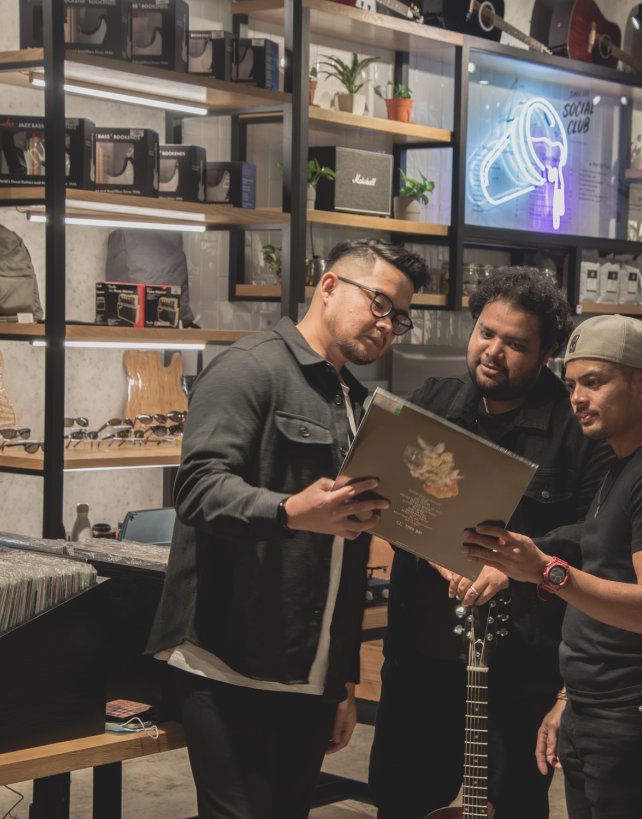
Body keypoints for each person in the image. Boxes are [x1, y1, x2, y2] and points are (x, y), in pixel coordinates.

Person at [146, 239, 430, 819]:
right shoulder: (250, 367)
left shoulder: (358, 401)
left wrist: (342, 679)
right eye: (378, 303)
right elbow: (197, 488)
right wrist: (288, 511)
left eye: (398, 317)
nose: (387, 325)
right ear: (329, 286)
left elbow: (348, 555)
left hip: (310, 674)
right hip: (228, 659)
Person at [368, 268, 612, 819]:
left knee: (514, 804)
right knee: (402, 798)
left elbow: (596, 533)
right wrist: (431, 550)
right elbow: (393, 503)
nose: (493, 351)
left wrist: (524, 562)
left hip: (521, 661)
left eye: (516, 343)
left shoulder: (575, 427)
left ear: (548, 350)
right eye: (486, 333)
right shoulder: (434, 398)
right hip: (422, 650)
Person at [464, 314, 642, 819]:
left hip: (634, 718)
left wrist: (546, 571)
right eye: (572, 384)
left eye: (594, 382)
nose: (577, 398)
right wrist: (567, 698)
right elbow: (603, 564)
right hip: (594, 708)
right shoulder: (623, 463)